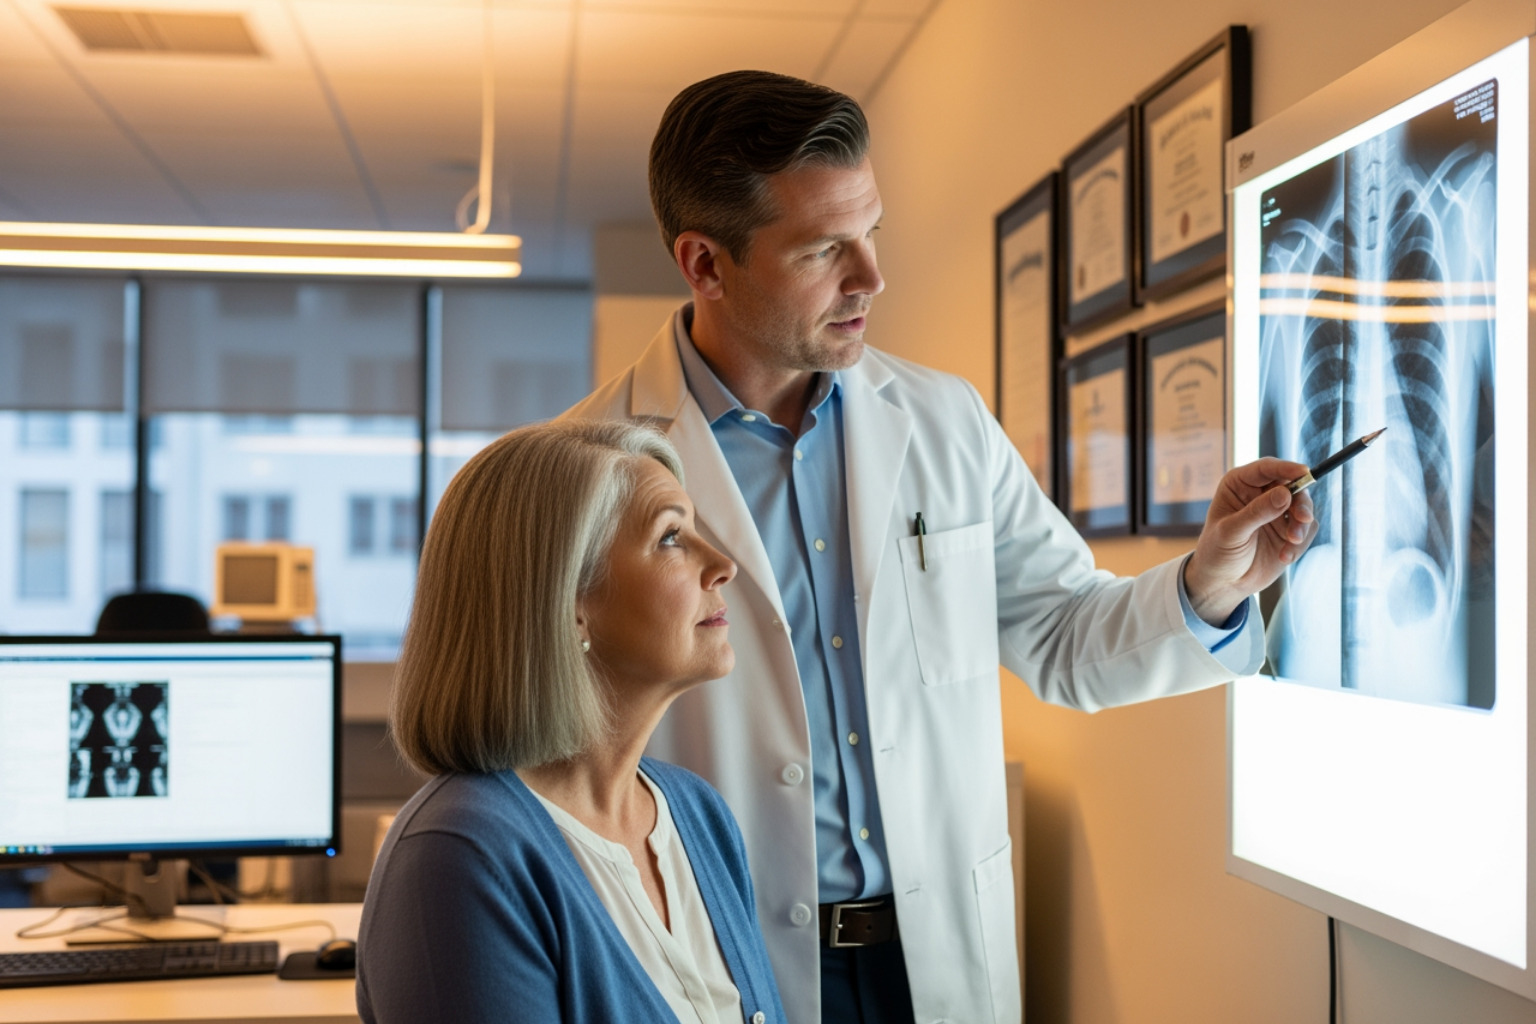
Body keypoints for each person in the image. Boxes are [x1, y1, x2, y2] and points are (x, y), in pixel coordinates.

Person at [563, 70, 1318, 1024]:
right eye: (824, 249)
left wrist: (1209, 581)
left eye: (871, 232)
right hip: (720, 955)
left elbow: (1063, 635)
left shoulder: (943, 420)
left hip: (934, 959)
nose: (872, 277)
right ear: (705, 264)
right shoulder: (591, 469)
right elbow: (558, 752)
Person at [357, 419, 785, 1024]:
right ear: (570, 605)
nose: (722, 565)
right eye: (670, 538)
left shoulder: (698, 814)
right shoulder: (459, 856)